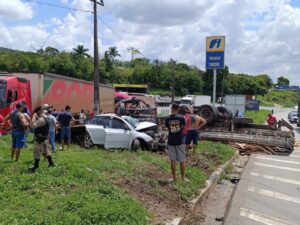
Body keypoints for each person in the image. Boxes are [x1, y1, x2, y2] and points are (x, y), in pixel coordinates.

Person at [29, 106, 55, 172]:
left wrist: (33, 117)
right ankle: (51, 163)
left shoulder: (41, 119)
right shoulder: (46, 117)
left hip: (40, 139)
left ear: (38, 112)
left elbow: (32, 126)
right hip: (45, 138)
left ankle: (36, 166)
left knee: (36, 152)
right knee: (46, 151)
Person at [165, 104, 186, 182]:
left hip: (171, 141)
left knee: (173, 160)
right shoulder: (181, 117)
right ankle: (183, 178)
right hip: (180, 141)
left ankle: (174, 178)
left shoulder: (168, 118)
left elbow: (168, 128)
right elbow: (183, 127)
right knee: (182, 160)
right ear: (178, 109)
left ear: (171, 108)